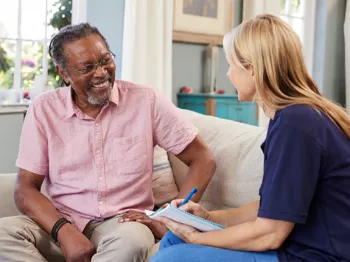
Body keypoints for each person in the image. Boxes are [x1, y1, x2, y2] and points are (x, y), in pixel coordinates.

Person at [0, 23, 216, 262]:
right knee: (3, 234)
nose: (102, 73)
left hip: (122, 223)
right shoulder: (44, 109)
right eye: (87, 67)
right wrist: (64, 231)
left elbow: (202, 159)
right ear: (65, 74)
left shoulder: (146, 100)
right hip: (62, 220)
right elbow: (25, 189)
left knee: (132, 242)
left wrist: (170, 216)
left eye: (105, 61)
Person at [150, 14, 350, 262]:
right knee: (173, 239)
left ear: (252, 70)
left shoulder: (296, 124)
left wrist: (198, 238)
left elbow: (270, 234)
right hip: (294, 246)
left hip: (313, 257)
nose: (228, 74)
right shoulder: (294, 117)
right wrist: (208, 218)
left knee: (166, 259)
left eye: (231, 65)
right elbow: (271, 208)